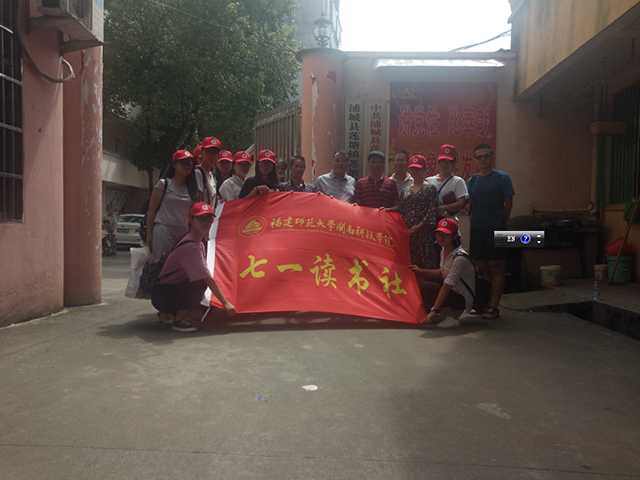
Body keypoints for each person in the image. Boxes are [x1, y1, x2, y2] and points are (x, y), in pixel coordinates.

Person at [152, 202, 237, 332]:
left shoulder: (197, 242)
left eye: (208, 219)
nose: (205, 222)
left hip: (163, 292)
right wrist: (225, 303)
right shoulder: (191, 246)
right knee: (200, 283)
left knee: (198, 280)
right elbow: (207, 278)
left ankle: (165, 315)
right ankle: (179, 321)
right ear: (191, 220)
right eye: (200, 218)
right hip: (163, 295)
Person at [467, 144, 515, 320]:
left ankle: (494, 305)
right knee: (481, 266)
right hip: (477, 230)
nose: (483, 160)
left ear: (491, 157)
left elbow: (509, 203)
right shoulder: (472, 180)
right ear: (475, 160)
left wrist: (501, 223)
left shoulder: (502, 178)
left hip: (497, 229)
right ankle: (486, 301)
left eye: (486, 156)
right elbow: (470, 204)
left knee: (496, 266)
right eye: (479, 157)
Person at [409, 218, 476, 329]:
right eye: (439, 234)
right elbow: (442, 271)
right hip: (453, 292)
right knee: (427, 286)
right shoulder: (443, 250)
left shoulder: (459, 258)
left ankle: (452, 317)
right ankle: (442, 312)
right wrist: (422, 271)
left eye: (446, 235)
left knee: (429, 287)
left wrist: (434, 310)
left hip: (461, 298)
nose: (441, 237)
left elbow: (447, 286)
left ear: (454, 236)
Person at [385, 155, 439, 269]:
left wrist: (418, 227)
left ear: (425, 169)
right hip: (407, 233)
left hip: (423, 235)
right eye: (413, 169)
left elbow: (431, 212)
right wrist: (388, 211)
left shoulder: (431, 188)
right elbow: (402, 210)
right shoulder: (406, 190)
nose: (415, 171)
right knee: (406, 265)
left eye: (418, 168)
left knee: (423, 266)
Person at [146, 149, 198, 260]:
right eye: (183, 163)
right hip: (163, 229)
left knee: (179, 265)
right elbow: (152, 210)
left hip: (184, 232)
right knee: (161, 263)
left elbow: (193, 215)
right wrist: (149, 235)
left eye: (190, 164)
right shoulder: (163, 184)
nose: (187, 166)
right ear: (174, 164)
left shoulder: (192, 189)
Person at [427, 144, 468, 221]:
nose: (445, 164)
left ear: (454, 163)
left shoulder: (458, 181)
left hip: (449, 222)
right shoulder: (428, 181)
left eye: (448, 161)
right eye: (443, 161)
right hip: (431, 223)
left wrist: (444, 208)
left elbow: (461, 203)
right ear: (439, 162)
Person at [196, 137, 220, 208]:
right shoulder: (198, 172)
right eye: (208, 152)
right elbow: (198, 200)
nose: (211, 155)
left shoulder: (212, 174)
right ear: (201, 152)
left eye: (214, 153)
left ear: (218, 155)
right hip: (202, 214)